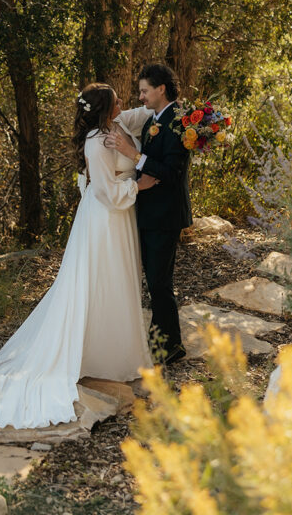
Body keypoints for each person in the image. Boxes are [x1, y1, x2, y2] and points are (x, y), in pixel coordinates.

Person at [0, 83, 157, 429]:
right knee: (100, 281)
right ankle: (90, 355)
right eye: (116, 100)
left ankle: (115, 354)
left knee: (117, 282)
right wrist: (138, 185)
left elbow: (146, 113)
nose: (123, 103)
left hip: (120, 218)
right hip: (105, 220)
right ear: (104, 108)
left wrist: (178, 111)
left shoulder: (117, 125)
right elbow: (106, 191)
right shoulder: (97, 141)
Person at [105, 62, 192, 365]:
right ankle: (159, 342)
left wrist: (134, 155)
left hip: (165, 215)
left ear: (160, 89)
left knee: (159, 282)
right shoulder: (156, 118)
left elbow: (171, 171)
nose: (140, 97)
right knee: (154, 281)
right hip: (148, 213)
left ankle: (171, 347)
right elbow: (120, 116)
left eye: (144, 91)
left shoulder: (179, 122)